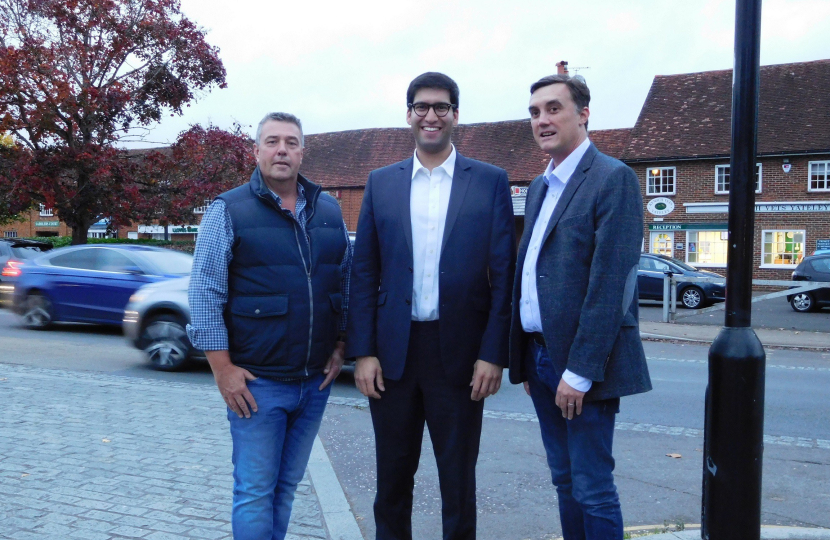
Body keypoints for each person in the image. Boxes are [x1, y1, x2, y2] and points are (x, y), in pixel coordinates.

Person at [346, 72, 516, 540]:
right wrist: (363, 352)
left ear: (456, 116)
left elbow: (505, 277)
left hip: (461, 358)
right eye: (422, 107)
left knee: (458, 484)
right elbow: (364, 272)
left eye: (441, 107)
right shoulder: (381, 183)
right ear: (409, 115)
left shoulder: (489, 181)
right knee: (392, 482)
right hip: (393, 357)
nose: (431, 115)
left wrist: (493, 352)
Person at [187, 111, 352, 540]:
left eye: (291, 142)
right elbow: (205, 293)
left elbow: (345, 280)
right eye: (273, 141)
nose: (282, 150)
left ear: (302, 151)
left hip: (314, 383)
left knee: (285, 488)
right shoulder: (228, 210)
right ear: (256, 150)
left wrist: (341, 343)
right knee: (255, 491)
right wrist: (222, 370)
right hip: (257, 384)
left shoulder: (329, 209)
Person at [508, 74, 652, 540]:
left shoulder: (612, 178)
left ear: (584, 114)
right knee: (564, 481)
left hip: (580, 368)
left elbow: (611, 284)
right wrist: (527, 362)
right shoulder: (538, 187)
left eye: (553, 108)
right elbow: (533, 269)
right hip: (540, 358)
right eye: (534, 112)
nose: (542, 120)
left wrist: (580, 371)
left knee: (592, 487)